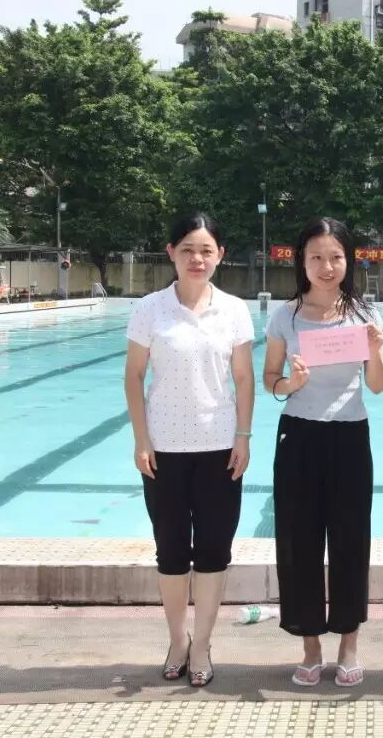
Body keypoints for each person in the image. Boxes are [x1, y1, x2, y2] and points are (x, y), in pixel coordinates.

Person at [124, 212, 256, 688]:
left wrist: (243, 437)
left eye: (206, 250)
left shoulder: (234, 310)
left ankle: (202, 644)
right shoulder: (150, 309)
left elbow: (244, 378)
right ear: (171, 253)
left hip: (220, 449)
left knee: (214, 551)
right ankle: (177, 640)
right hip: (164, 451)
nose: (197, 259)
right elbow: (134, 376)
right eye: (187, 250)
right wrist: (141, 439)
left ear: (220, 255)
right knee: (172, 551)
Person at [263, 217, 383, 687]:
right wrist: (290, 383)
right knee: (299, 541)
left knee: (351, 540)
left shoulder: (365, 315)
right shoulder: (286, 315)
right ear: (302, 260)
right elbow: (270, 377)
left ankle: (349, 643)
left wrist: (375, 351)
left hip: (350, 435)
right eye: (316, 256)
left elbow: (377, 385)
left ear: (348, 260)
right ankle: (310, 644)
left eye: (335, 256)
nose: (326, 266)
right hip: (299, 435)